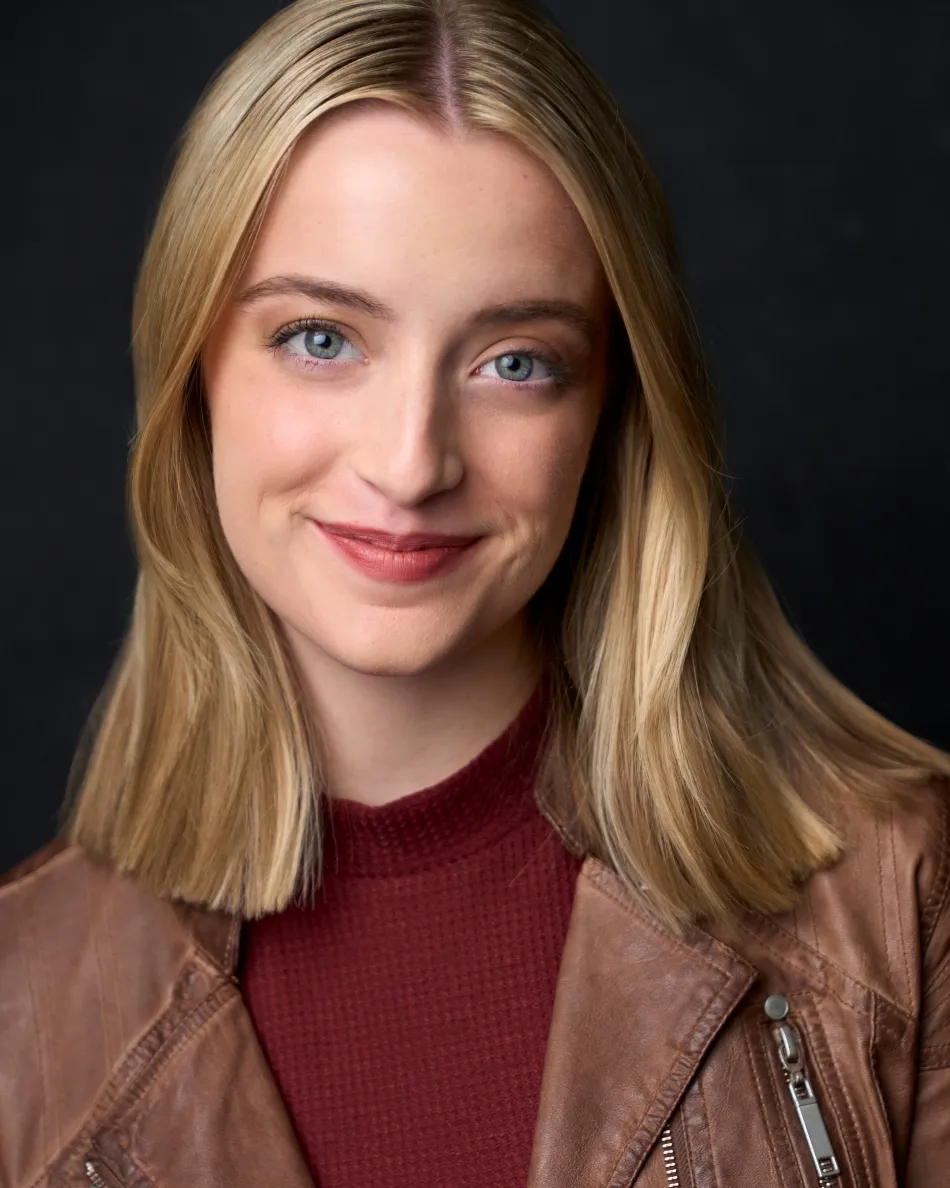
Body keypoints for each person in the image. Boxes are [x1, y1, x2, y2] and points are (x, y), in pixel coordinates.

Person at [2, 0, 948, 1184]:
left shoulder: (904, 896)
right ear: (196, 374)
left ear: (609, 411)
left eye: (515, 362)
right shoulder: (20, 1012)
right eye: (320, 338)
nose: (410, 464)